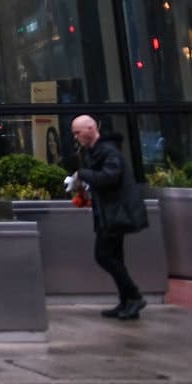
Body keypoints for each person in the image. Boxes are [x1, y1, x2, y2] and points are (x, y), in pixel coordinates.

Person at [69, 113, 149, 320]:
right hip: (110, 212)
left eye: (77, 132)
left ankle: (134, 296)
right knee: (115, 257)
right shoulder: (98, 151)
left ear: (90, 129)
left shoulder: (107, 151)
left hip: (115, 212)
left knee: (103, 256)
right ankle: (127, 301)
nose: (76, 137)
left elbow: (109, 177)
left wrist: (83, 174)